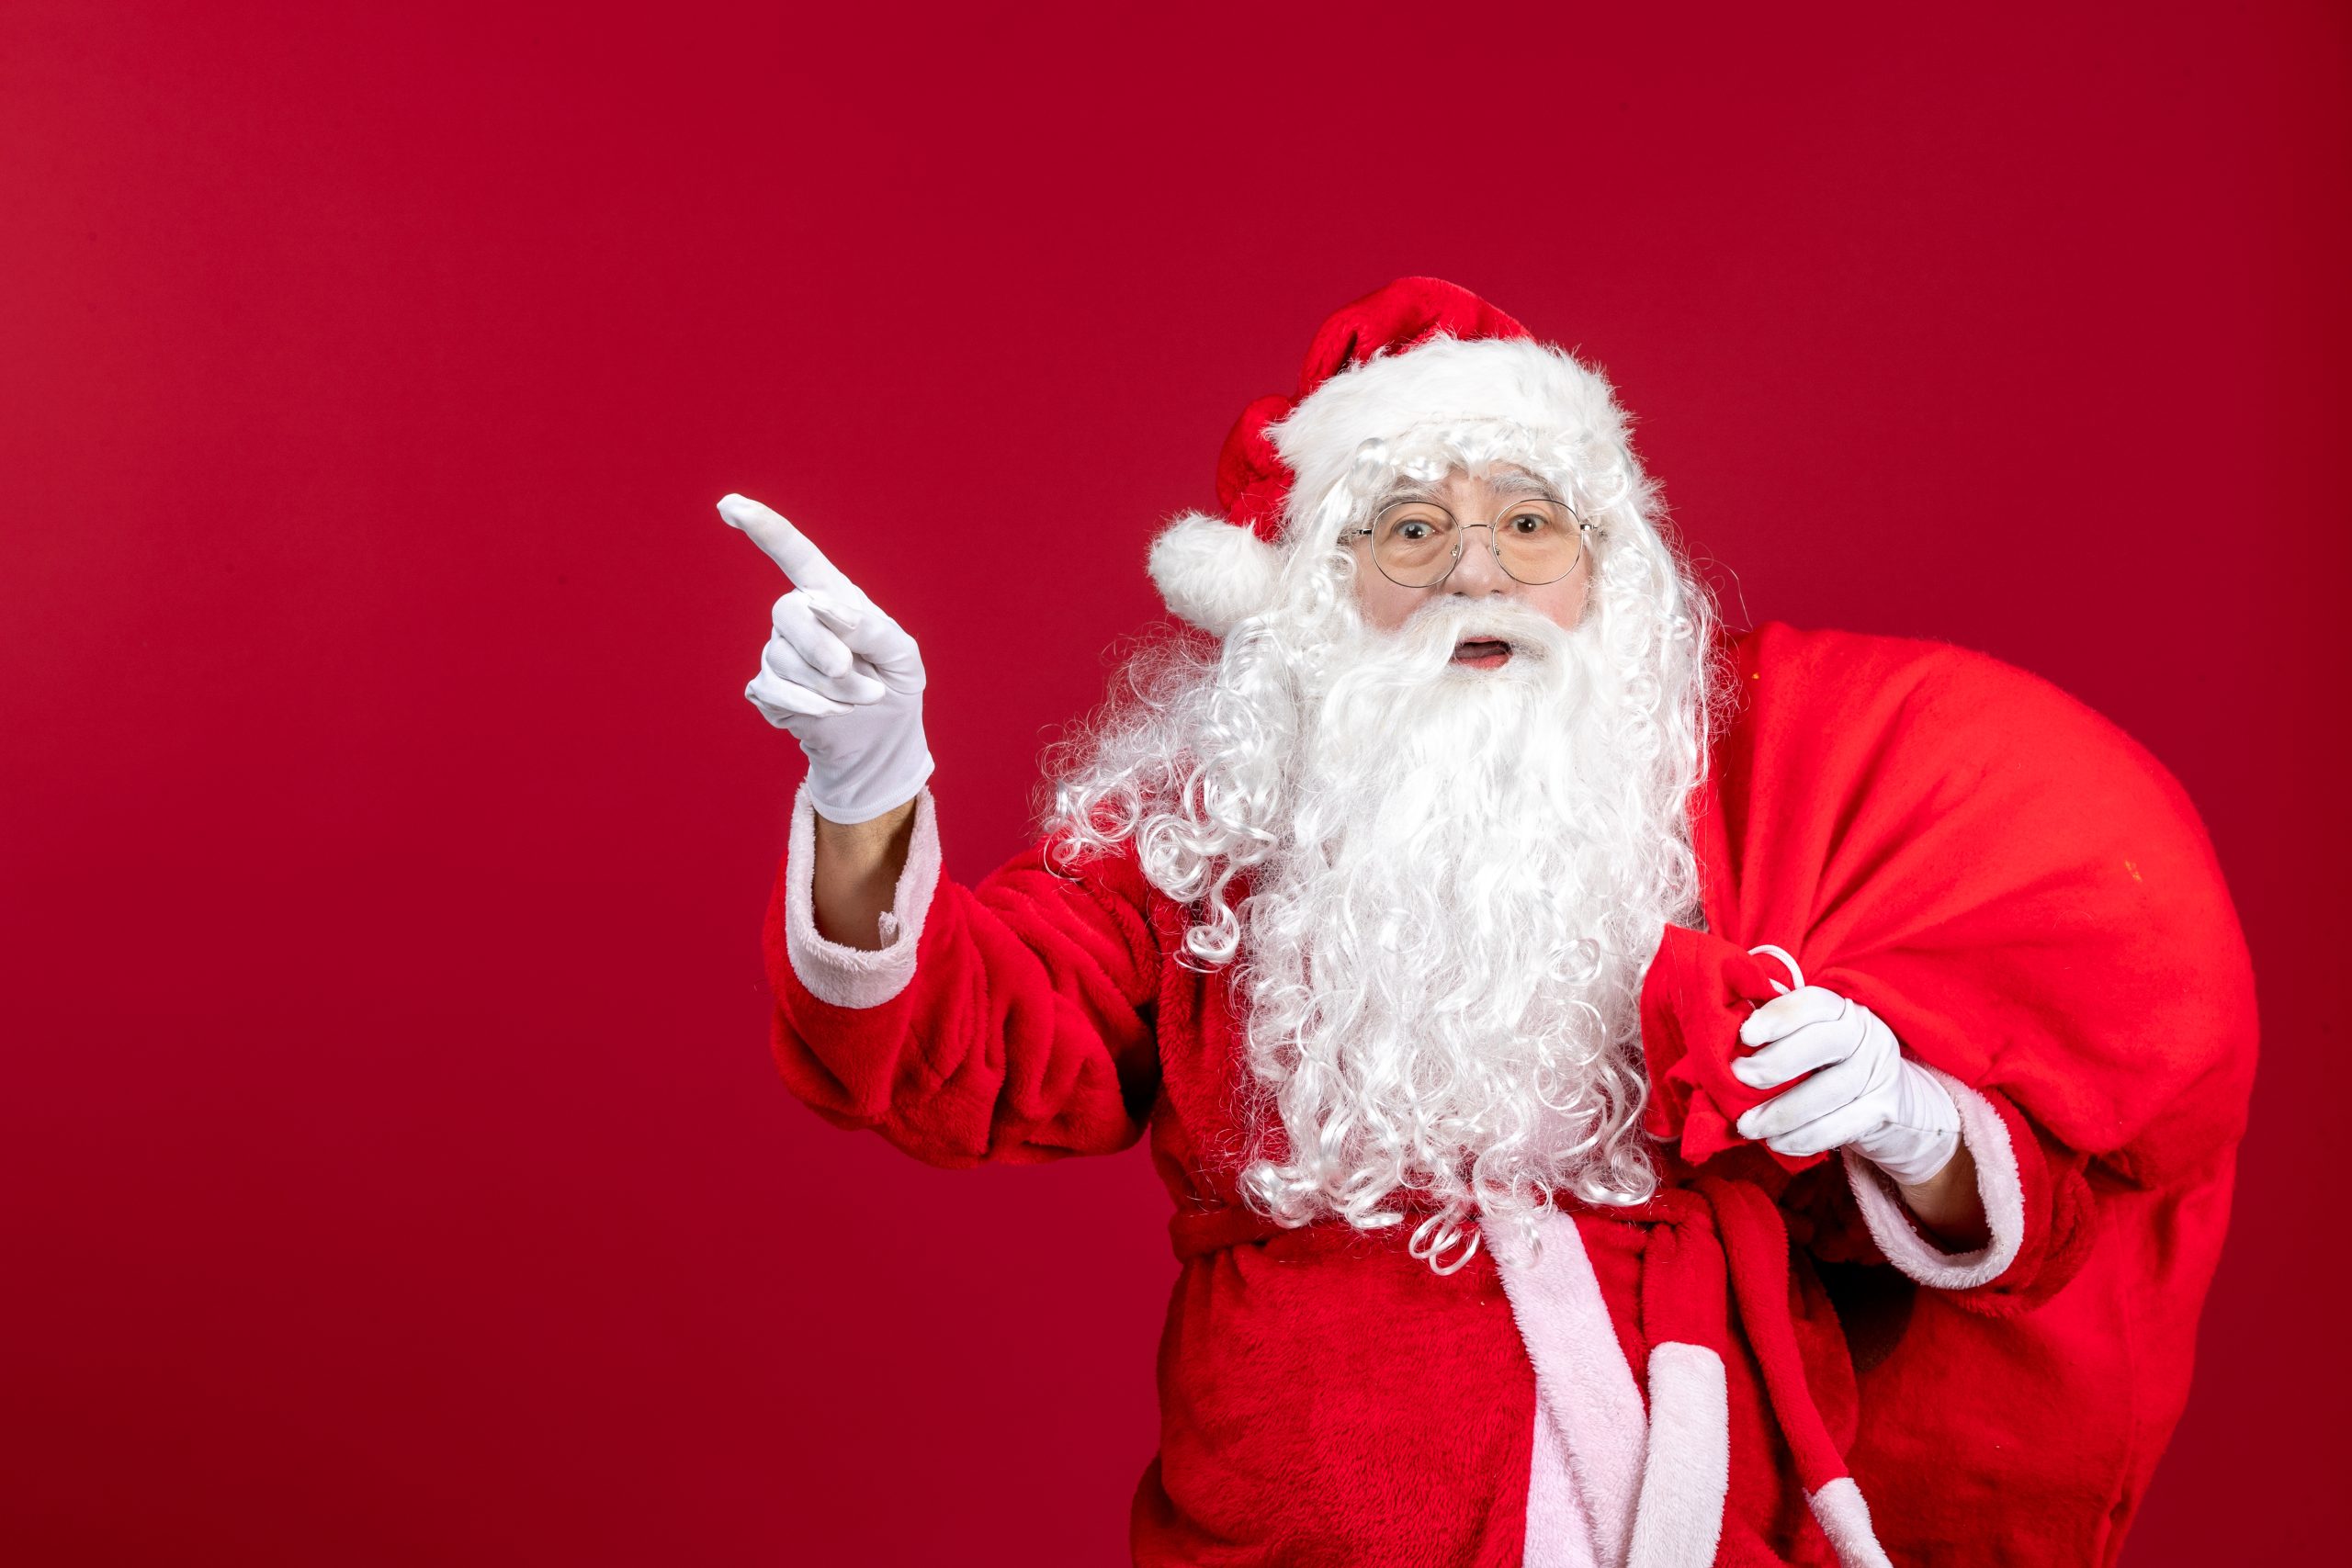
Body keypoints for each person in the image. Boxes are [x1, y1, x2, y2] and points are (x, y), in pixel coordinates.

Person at [719, 279, 2255, 1567]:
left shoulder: (1738, 831)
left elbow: (1987, 1234)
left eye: (1531, 523)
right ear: (1313, 591)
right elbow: (957, 1048)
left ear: (1606, 576)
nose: (1477, 568)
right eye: (1408, 529)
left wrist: (1910, 1121)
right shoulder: (1204, 850)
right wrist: (870, 785)